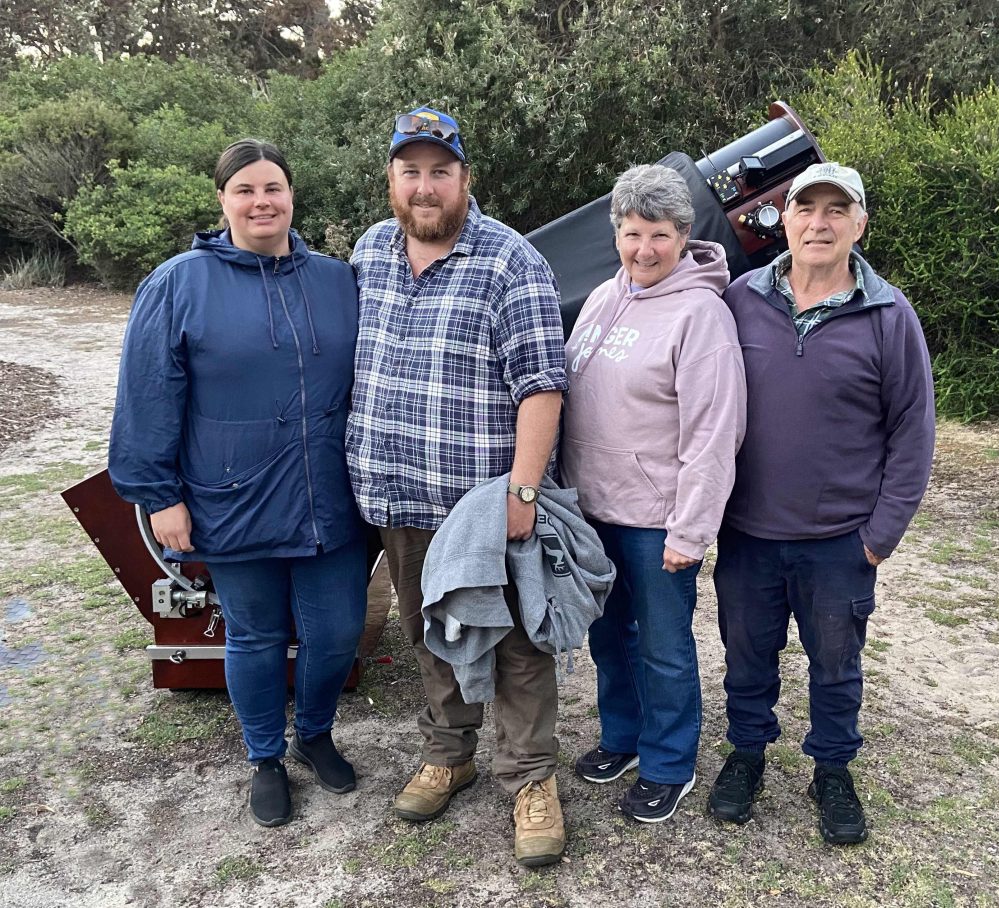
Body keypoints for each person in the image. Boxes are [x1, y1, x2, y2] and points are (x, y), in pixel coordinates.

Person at [109, 139, 367, 828]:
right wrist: (159, 495)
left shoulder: (338, 280)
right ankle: (265, 757)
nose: (262, 202)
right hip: (233, 496)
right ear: (222, 200)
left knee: (337, 633)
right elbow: (146, 394)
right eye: (245, 190)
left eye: (273, 188)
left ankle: (314, 734)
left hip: (328, 497)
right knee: (252, 635)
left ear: (291, 196)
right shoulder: (178, 283)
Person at [345, 107, 569, 866]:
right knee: (426, 632)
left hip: (480, 505)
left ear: (466, 180)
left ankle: (531, 778)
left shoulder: (512, 260)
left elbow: (542, 385)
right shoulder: (370, 251)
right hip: (396, 493)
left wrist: (525, 492)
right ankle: (451, 751)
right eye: (411, 171)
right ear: (392, 181)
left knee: (513, 643)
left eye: (441, 170)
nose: (425, 185)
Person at [709, 162, 935, 844]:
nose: (821, 221)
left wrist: (878, 537)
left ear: (859, 225)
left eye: (839, 210)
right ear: (786, 216)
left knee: (836, 668)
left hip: (840, 542)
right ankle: (746, 755)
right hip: (748, 533)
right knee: (746, 658)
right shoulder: (739, 299)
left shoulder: (890, 316)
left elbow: (913, 434)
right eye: (808, 207)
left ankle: (831, 768)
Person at [560, 164, 747, 823]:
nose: (644, 249)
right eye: (632, 233)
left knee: (663, 646)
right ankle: (624, 738)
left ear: (683, 235)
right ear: (616, 233)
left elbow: (713, 431)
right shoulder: (609, 296)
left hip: (656, 520)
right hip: (594, 511)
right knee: (609, 638)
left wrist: (691, 528)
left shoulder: (702, 315)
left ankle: (670, 763)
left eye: (659, 236)